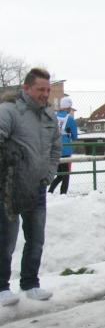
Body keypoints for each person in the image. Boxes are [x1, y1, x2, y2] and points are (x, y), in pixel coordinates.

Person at [0, 68, 61, 306]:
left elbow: (55, 148)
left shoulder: (49, 116)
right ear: (26, 88)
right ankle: (2, 287)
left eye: (48, 90)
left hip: (37, 186)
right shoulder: (9, 111)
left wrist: (49, 174)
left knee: (36, 238)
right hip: (10, 187)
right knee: (6, 239)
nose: (45, 94)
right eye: (40, 89)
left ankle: (30, 283)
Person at [48, 96, 78, 195]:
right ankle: (63, 194)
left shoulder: (53, 116)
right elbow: (75, 136)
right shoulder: (70, 119)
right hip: (65, 150)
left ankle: (50, 191)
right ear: (68, 107)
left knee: (60, 174)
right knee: (66, 174)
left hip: (54, 149)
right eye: (70, 107)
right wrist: (68, 133)